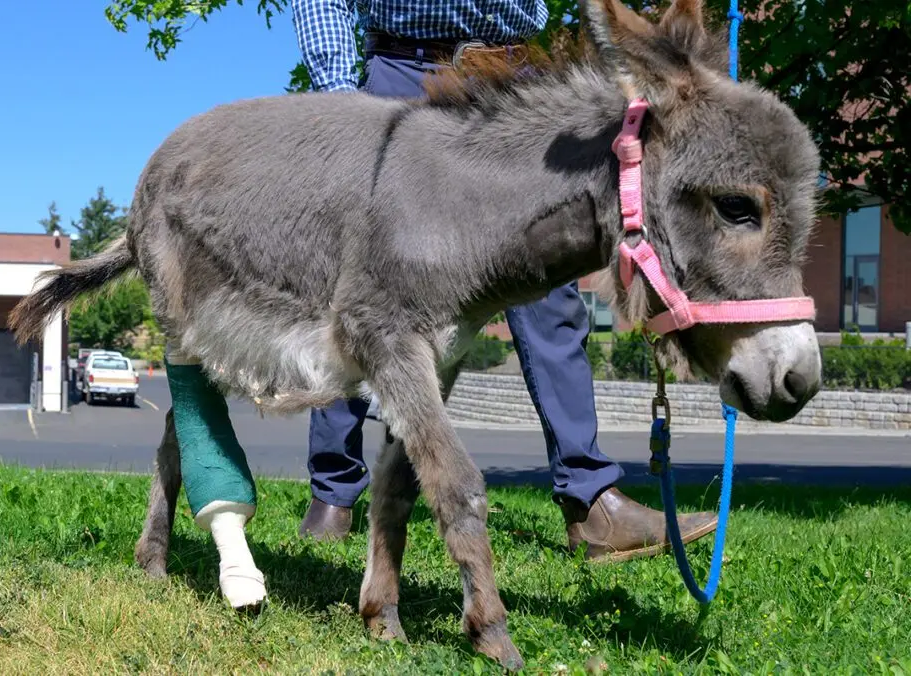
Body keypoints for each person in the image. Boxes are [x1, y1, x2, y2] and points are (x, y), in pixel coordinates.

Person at [291, 0, 719, 562]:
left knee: (551, 291)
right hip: (402, 77)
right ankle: (335, 494)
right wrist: (340, 93)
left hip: (515, 82)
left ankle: (591, 505)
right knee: (361, 286)